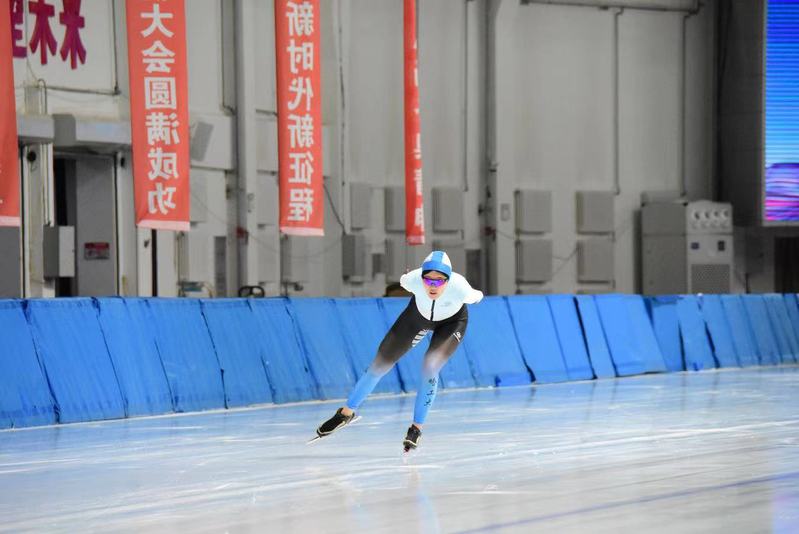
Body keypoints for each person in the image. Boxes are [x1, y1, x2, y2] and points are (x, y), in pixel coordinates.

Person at [315, 251, 484, 451]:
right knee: (379, 365)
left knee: (430, 367)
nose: (432, 286)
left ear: (448, 280)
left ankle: (416, 428)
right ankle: (346, 413)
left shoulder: (461, 288)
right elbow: (404, 279)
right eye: (428, 280)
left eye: (439, 281)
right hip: (417, 316)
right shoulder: (412, 280)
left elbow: (478, 296)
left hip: (452, 322)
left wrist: (475, 296)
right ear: (421, 277)